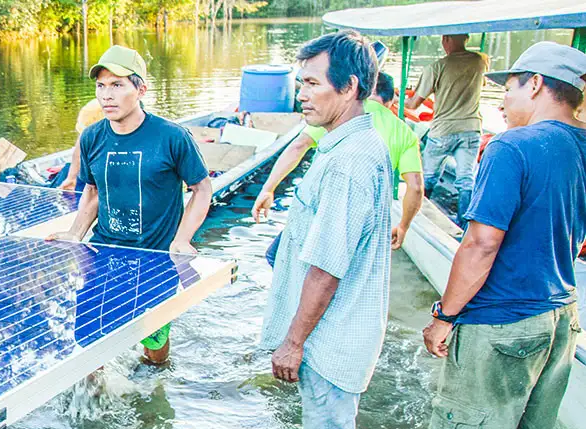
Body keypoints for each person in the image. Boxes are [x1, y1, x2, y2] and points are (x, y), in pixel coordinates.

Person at [422, 41, 586, 429]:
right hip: (560, 321)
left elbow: (481, 243)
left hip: (501, 322)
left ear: (535, 84)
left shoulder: (511, 147)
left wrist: (445, 315)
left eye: (508, 89)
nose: (502, 100)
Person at [260, 31, 391, 429]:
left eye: (313, 84)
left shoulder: (349, 161)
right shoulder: (343, 144)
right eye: (300, 84)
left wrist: (293, 342)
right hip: (335, 329)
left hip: (330, 337)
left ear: (350, 87)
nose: (302, 95)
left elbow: (326, 268)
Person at [47, 45, 213, 365]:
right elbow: (93, 192)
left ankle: (155, 379)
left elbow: (202, 188)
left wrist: (181, 239)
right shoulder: (92, 137)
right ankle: (97, 394)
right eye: (101, 86)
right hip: (103, 254)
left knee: (153, 345)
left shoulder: (171, 137)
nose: (106, 95)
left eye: (117, 85)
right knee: (87, 340)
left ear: (140, 90)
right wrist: (74, 232)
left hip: (155, 257)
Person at [254, 71, 424, 266]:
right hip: (365, 219)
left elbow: (298, 145)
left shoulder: (343, 113)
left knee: (278, 258)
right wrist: (403, 226)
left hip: (325, 208)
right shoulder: (404, 132)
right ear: (389, 101)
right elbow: (416, 187)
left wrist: (268, 188)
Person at [405, 34, 490, 224]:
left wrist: (400, 99)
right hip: (471, 128)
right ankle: (464, 224)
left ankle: (417, 216)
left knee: (428, 176)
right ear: (466, 39)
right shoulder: (479, 62)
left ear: (447, 39)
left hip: (443, 130)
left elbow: (414, 104)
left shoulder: (437, 67)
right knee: (466, 179)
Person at [53, 98, 105, 191]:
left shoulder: (95, 108)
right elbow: (81, 145)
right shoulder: (94, 110)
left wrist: (71, 177)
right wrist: (71, 177)